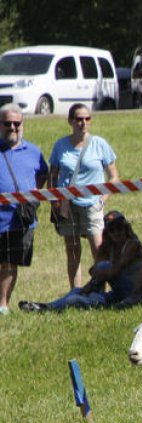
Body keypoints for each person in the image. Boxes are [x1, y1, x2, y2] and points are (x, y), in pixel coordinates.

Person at [48, 103, 119, 290]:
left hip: (92, 205)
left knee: (98, 249)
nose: (83, 123)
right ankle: (75, 290)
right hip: (67, 204)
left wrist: (101, 200)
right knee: (72, 250)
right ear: (70, 121)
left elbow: (114, 177)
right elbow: (52, 174)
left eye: (87, 119)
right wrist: (54, 200)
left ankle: (103, 289)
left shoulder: (100, 144)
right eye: (79, 119)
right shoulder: (60, 145)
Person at [20, 211, 142, 312]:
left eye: (120, 227)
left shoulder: (132, 245)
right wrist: (89, 285)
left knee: (78, 295)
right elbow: (97, 272)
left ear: (126, 228)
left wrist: (95, 277)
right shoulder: (106, 247)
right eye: (112, 229)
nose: (117, 232)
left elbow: (114, 271)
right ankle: (45, 307)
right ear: (107, 232)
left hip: (133, 293)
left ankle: (50, 309)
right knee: (76, 292)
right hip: (117, 294)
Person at [0, 103, 48, 315]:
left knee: (10, 264)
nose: (12, 127)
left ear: (22, 124)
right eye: (7, 123)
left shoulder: (33, 152)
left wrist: (30, 197)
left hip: (20, 219)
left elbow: (42, 176)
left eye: (16, 123)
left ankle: (3, 305)